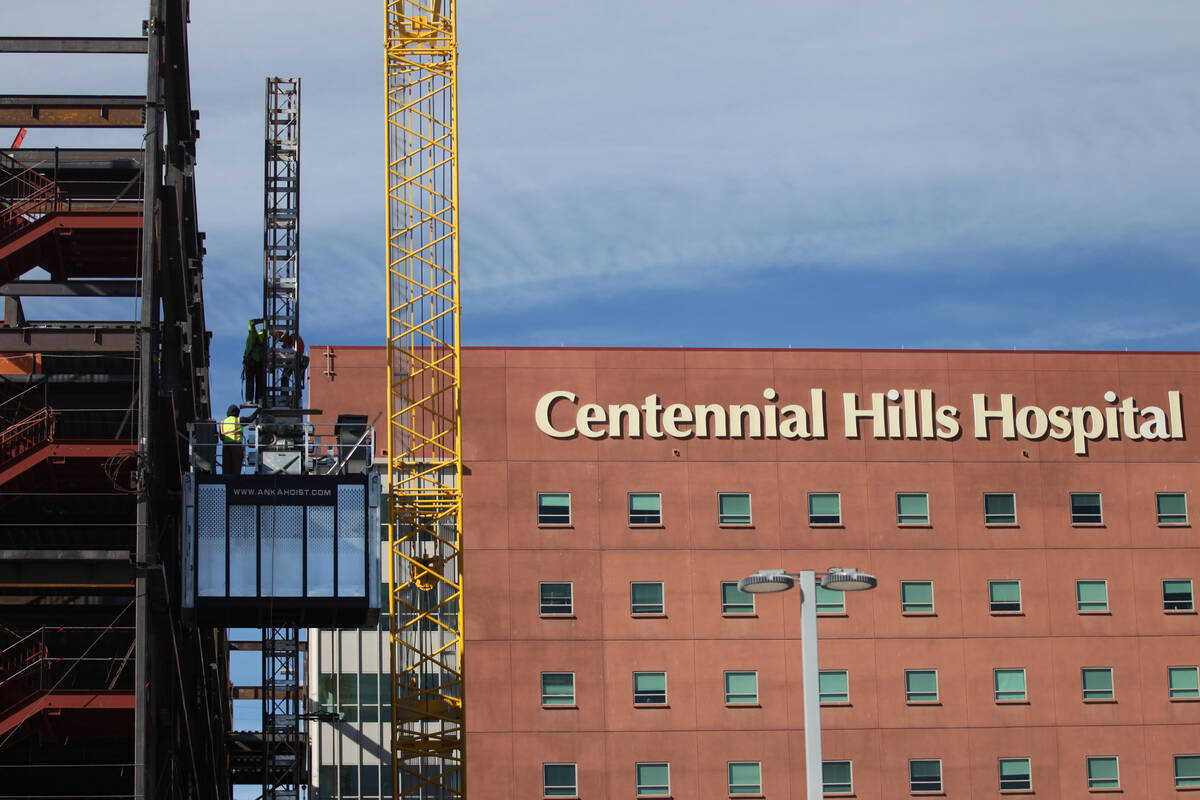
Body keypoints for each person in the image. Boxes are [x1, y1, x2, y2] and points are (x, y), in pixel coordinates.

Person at [243, 319, 266, 405]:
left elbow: (251, 323)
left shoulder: (252, 334)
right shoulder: (262, 338)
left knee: (250, 382)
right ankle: (259, 399)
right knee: (259, 382)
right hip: (258, 363)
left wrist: (260, 320)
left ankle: (249, 400)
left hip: (251, 362)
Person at [219, 405, 244, 475]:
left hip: (226, 446)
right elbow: (250, 419)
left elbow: (220, 436)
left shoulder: (222, 422)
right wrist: (257, 411)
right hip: (236, 445)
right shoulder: (238, 420)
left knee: (226, 465)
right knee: (236, 466)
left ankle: (226, 479)